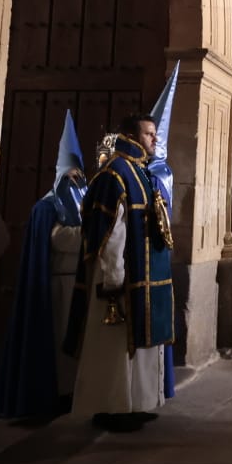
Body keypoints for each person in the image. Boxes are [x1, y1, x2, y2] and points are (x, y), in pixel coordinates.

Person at [61, 114, 175, 432]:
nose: (154, 139)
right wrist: (113, 277)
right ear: (129, 135)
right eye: (148, 134)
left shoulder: (140, 172)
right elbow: (112, 233)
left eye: (155, 134)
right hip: (120, 280)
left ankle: (134, 404)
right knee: (113, 349)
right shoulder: (114, 174)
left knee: (139, 346)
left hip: (144, 278)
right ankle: (110, 408)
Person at [0, 110, 88, 421]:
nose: (76, 179)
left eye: (79, 173)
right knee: (59, 341)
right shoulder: (47, 207)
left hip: (77, 283)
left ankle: (74, 391)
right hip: (58, 283)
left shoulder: (81, 201)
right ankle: (58, 393)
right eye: (71, 174)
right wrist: (95, 231)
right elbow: (59, 239)